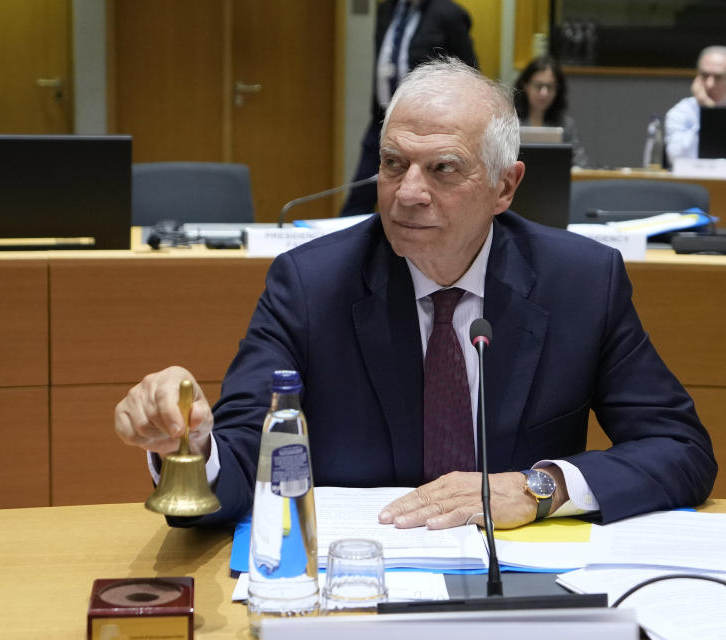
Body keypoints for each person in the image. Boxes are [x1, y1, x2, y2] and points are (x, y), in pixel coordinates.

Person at [115, 58, 717, 532]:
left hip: (517, 582)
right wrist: (191, 448)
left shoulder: (581, 282)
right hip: (357, 582)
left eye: (443, 169)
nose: (407, 193)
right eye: (394, 163)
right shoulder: (309, 285)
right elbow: (244, 461)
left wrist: (540, 487)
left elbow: (681, 451)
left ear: (505, 187)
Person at [340, 0, 477, 216]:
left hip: (426, 131)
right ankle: (344, 249)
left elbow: (468, 76)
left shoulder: (449, 14)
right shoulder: (386, 10)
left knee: (415, 196)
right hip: (381, 121)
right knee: (360, 193)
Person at [514, 55, 589, 168]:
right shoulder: (510, 121)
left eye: (550, 87)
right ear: (525, 85)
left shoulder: (565, 124)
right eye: (538, 86)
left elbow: (581, 165)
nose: (544, 93)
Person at [665, 46, 726, 163]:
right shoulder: (682, 111)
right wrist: (709, 111)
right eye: (704, 75)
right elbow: (677, 158)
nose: (709, 84)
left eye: (718, 77)